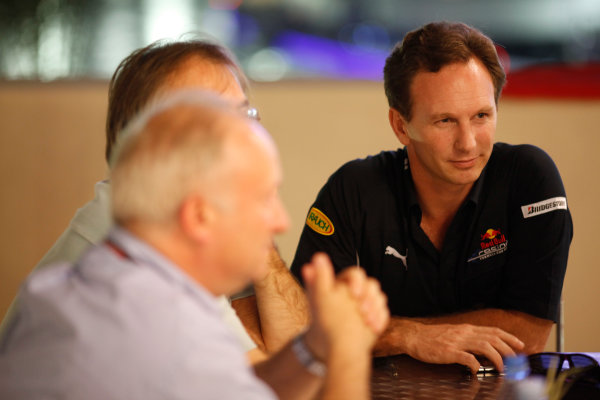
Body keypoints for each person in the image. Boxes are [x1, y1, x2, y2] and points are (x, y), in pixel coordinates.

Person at [0, 91, 390, 399]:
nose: (281, 221)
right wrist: (349, 350)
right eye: (263, 198)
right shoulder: (167, 332)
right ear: (199, 215)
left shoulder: (104, 281)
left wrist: (314, 347)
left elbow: (239, 390)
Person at [290, 21, 573, 374]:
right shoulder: (354, 189)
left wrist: (377, 330)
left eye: (481, 116)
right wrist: (407, 336)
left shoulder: (531, 178)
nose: (468, 142)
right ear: (400, 126)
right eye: (445, 121)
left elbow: (525, 338)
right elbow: (302, 326)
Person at [0, 39, 307, 361]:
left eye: (246, 115)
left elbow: (289, 346)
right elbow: (267, 382)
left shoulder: (204, 217)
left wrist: (253, 220)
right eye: (213, 118)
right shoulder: (134, 226)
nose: (243, 135)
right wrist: (340, 347)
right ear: (150, 140)